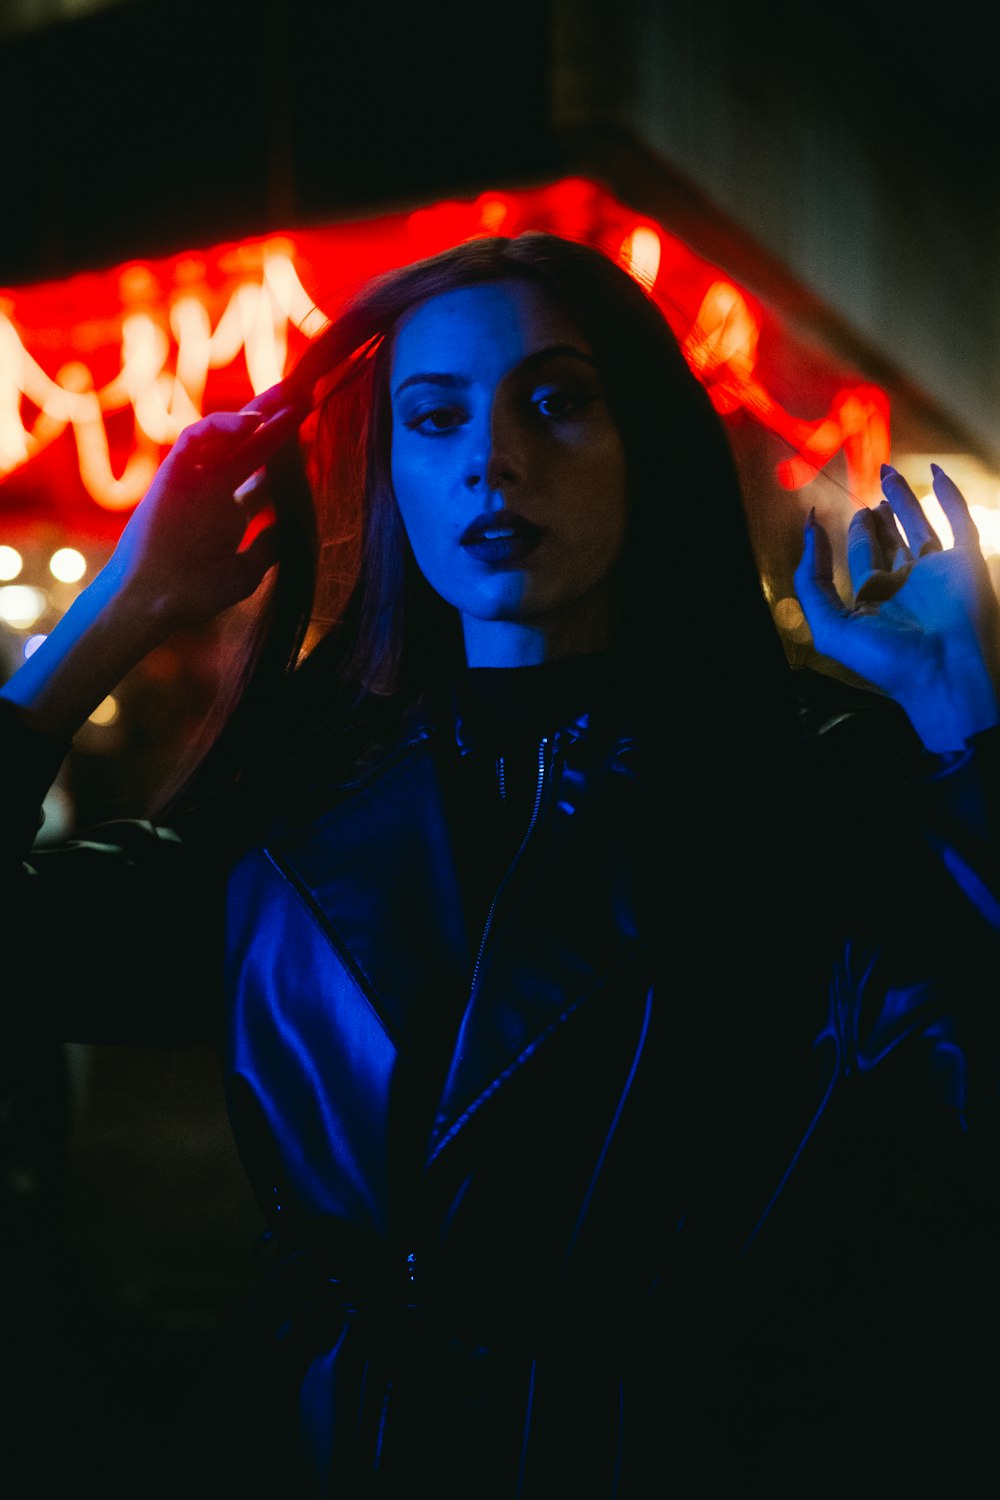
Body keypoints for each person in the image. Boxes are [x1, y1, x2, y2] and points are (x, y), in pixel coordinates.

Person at [3, 231, 1000, 1497]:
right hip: (315, 1443)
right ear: (390, 475)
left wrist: (967, 718)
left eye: (556, 401)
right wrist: (126, 604)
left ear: (644, 440)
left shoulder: (809, 781)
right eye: (434, 417)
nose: (492, 458)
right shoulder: (296, 810)